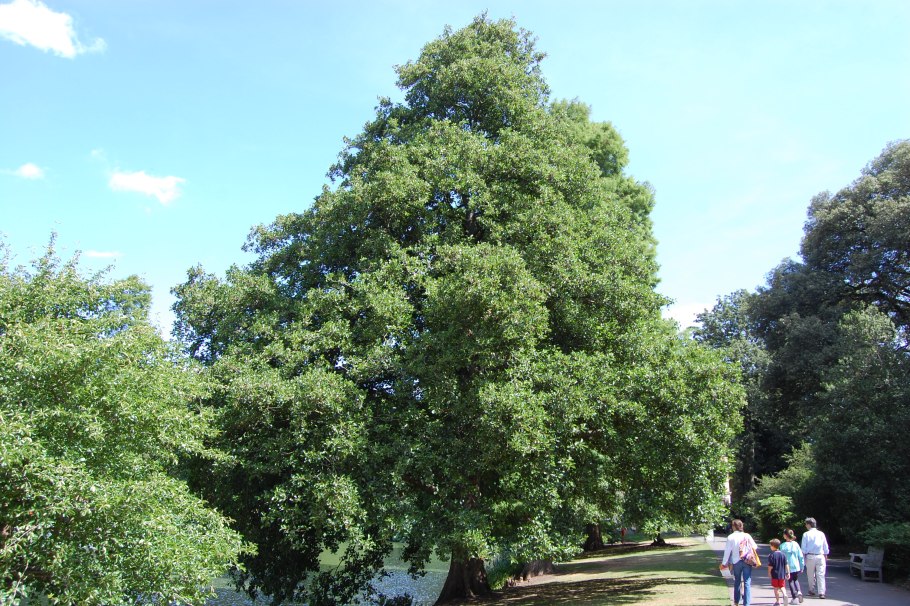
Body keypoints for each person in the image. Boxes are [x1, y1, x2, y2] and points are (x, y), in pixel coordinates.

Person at [721, 519, 759, 606]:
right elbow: (755, 546)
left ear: (734, 526)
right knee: (747, 582)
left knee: (737, 581)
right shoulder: (747, 535)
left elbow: (727, 551)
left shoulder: (731, 537)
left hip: (736, 561)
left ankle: (736, 601)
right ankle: (747, 603)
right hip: (747, 560)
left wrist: (724, 563)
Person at [800, 517, 830, 599]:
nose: (806, 526)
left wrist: (803, 558)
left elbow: (803, 548)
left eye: (806, 524)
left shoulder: (806, 534)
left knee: (810, 574)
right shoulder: (821, 534)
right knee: (821, 574)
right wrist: (826, 554)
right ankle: (822, 592)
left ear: (809, 524)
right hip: (820, 555)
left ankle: (811, 590)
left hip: (810, 556)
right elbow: (825, 545)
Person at [780, 528, 805, 603]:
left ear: (785, 535)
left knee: (790, 581)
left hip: (787, 566)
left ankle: (794, 597)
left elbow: (781, 558)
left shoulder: (782, 545)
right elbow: (800, 556)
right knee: (796, 579)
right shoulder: (796, 544)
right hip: (796, 565)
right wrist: (802, 566)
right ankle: (799, 591)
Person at [768, 538, 791, 606]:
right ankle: (785, 594)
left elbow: (770, 566)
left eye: (770, 546)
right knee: (782, 586)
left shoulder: (772, 555)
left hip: (775, 574)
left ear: (773, 546)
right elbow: (786, 564)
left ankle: (778, 601)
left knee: (776, 588)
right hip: (782, 574)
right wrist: (788, 572)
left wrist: (769, 572)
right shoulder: (783, 554)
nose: (770, 547)